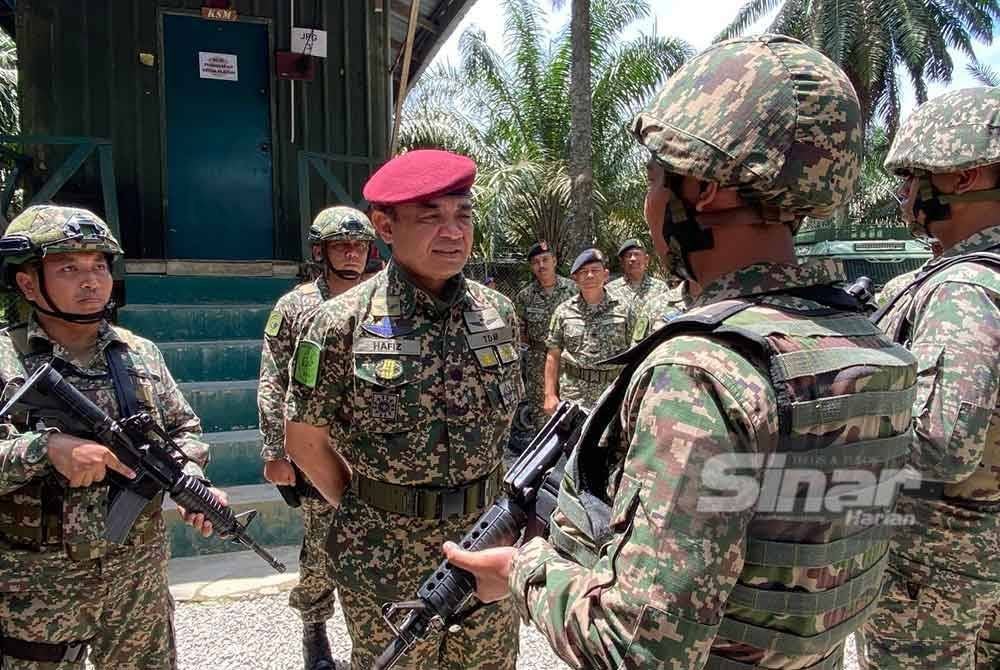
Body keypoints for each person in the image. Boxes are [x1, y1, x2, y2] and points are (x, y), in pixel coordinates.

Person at [443, 35, 918, 669]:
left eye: (655, 179)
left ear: (702, 190)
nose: (649, 206)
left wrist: (523, 569)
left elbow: (639, 646)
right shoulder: (864, 335)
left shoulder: (701, 372)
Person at [284, 149, 523, 669]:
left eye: (462, 214)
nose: (453, 231)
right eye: (431, 216)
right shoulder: (338, 323)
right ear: (385, 226)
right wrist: (367, 502)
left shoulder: (497, 313)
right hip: (381, 556)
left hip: (485, 543)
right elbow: (303, 438)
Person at [0, 205, 224, 669]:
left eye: (99, 266)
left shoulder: (138, 352)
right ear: (27, 282)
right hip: (37, 586)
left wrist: (191, 479)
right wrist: (44, 450)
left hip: (135, 576)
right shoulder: (4, 357)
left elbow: (183, 430)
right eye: (69, 268)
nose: (91, 281)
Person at [861, 86, 1000, 670]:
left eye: (914, 175)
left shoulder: (963, 288)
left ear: (963, 176)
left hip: (939, 563)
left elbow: (940, 444)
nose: (906, 193)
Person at [258, 206, 375, 670]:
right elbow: (272, 379)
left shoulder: (384, 301)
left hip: (372, 450)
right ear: (320, 251)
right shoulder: (296, 307)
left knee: (376, 548)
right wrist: (274, 448)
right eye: (341, 245)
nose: (352, 252)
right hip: (316, 448)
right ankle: (314, 628)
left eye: (360, 245)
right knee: (323, 547)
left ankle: (373, 641)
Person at [543, 248, 632, 413]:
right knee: (574, 439)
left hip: (612, 392)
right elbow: (553, 354)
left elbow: (635, 353)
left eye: (595, 270)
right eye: (583, 272)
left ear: (606, 275)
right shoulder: (563, 312)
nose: (589, 275)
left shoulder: (625, 310)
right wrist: (549, 394)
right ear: (575, 278)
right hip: (574, 394)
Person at [513, 241, 576, 431]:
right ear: (531, 267)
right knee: (542, 414)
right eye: (535, 262)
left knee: (572, 410)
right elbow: (519, 331)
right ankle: (545, 458)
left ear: (554, 261)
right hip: (537, 364)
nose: (541, 265)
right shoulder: (525, 296)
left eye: (545, 259)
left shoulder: (574, 290)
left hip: (569, 361)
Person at [605, 238, 667, 310]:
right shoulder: (610, 290)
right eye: (628, 255)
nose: (633, 259)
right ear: (622, 262)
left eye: (637, 254)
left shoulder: (661, 288)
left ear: (646, 260)